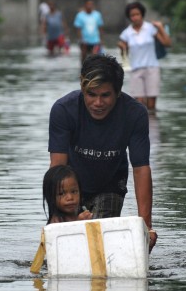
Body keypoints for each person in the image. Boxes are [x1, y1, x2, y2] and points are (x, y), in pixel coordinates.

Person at [48, 53, 157, 250]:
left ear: (118, 92)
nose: (98, 103)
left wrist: (146, 227)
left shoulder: (135, 114)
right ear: (83, 89)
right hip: (71, 188)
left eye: (105, 95)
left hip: (110, 185)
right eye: (91, 94)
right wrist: (56, 216)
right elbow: (57, 168)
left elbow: (141, 169)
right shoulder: (64, 110)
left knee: (97, 240)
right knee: (71, 241)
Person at [118, 2, 171, 111]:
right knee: (139, 104)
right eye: (132, 15)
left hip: (152, 68)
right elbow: (124, 56)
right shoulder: (126, 33)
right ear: (129, 17)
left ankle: (152, 126)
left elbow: (167, 43)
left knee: (151, 105)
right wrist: (122, 49)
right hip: (136, 69)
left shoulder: (151, 28)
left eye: (137, 14)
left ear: (142, 15)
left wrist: (160, 28)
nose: (135, 17)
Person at [73, 0, 104, 64]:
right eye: (88, 4)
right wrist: (81, 39)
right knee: (83, 56)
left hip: (95, 40)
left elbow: (100, 28)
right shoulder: (80, 15)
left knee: (95, 56)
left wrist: (101, 40)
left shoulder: (97, 15)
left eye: (91, 4)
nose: (89, 6)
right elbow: (78, 29)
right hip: (84, 41)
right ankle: (83, 69)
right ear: (85, 5)